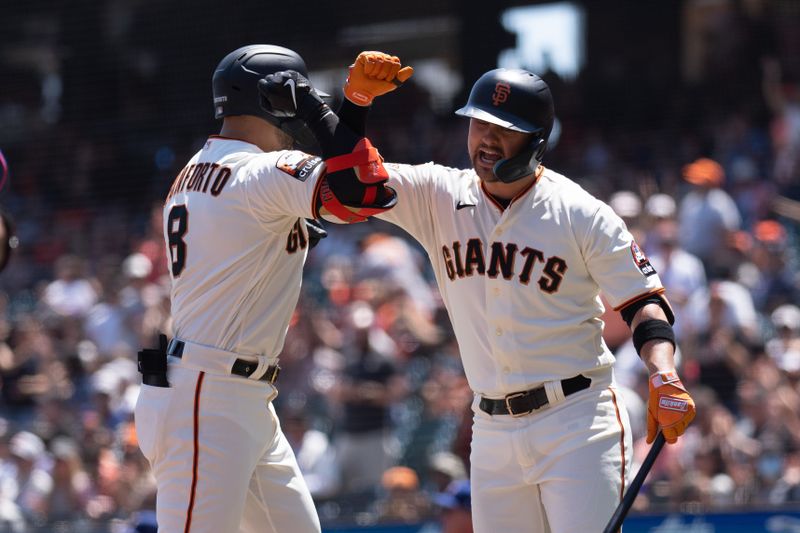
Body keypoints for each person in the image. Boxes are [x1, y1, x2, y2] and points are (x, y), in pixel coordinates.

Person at [311, 52, 698, 532]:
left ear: (536, 141)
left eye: (504, 127)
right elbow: (350, 187)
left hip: (577, 420)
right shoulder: (438, 193)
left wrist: (663, 374)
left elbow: (645, 304)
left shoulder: (582, 213)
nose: (486, 138)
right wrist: (357, 102)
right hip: (491, 426)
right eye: (479, 124)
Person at [133, 44, 400, 533]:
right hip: (207, 397)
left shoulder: (195, 169)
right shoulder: (258, 172)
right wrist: (340, 109)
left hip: (230, 394)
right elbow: (364, 191)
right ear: (279, 99)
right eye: (298, 97)